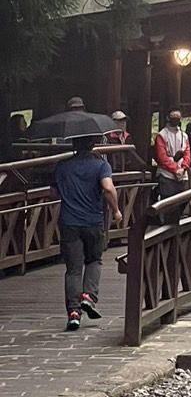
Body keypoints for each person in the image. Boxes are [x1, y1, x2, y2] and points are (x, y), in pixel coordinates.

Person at [52, 136, 121, 331]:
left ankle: (73, 313)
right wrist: (116, 209)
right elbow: (108, 187)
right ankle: (89, 296)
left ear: (73, 144)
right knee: (94, 260)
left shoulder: (62, 166)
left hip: (68, 221)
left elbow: (53, 193)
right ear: (93, 144)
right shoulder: (101, 165)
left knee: (73, 268)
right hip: (93, 221)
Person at [154, 109, 191, 201]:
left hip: (182, 175)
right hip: (166, 175)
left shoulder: (184, 135)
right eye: (173, 117)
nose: (176, 119)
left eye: (178, 117)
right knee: (167, 203)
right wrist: (175, 169)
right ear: (168, 118)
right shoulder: (161, 135)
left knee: (182, 203)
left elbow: (187, 154)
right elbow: (162, 157)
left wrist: (183, 168)